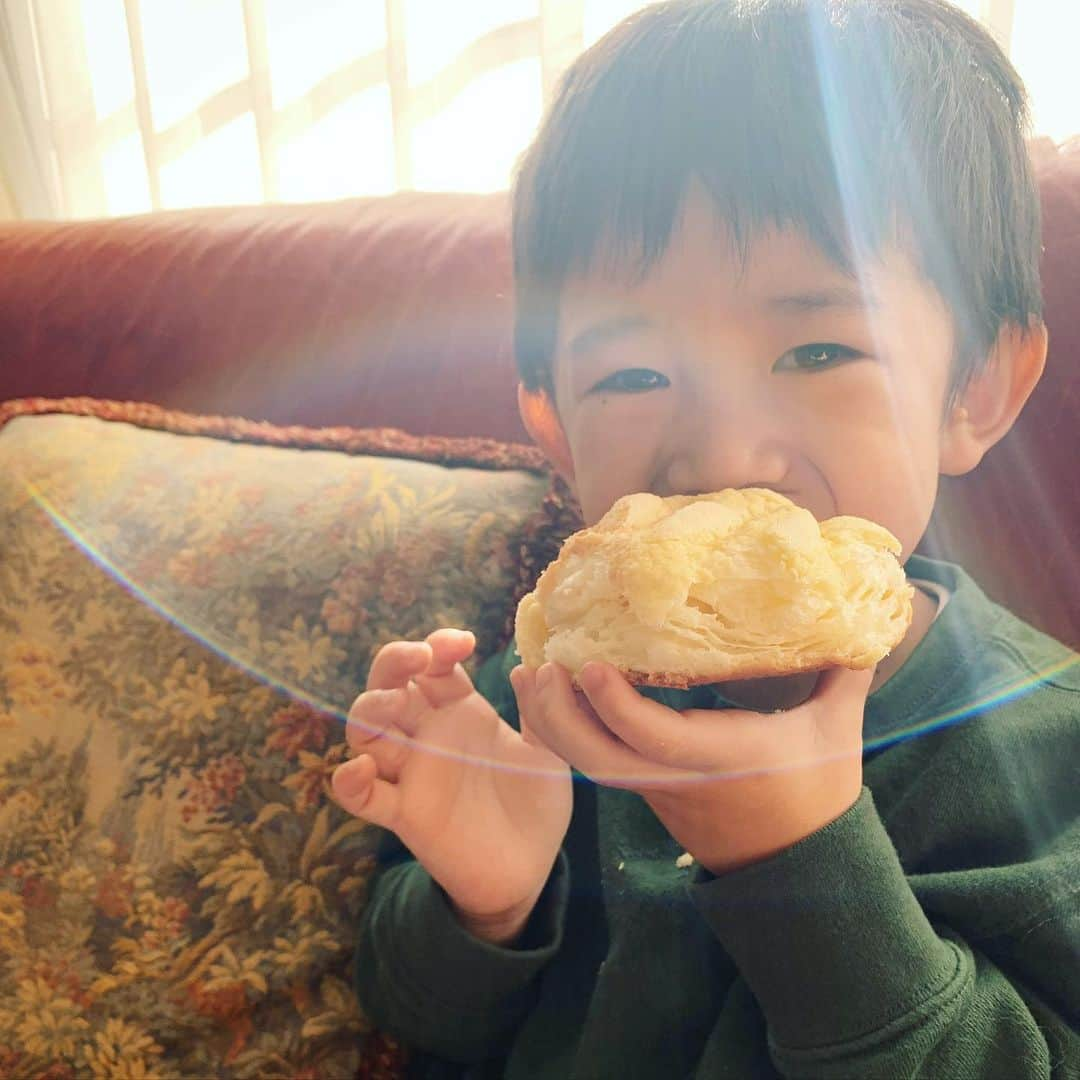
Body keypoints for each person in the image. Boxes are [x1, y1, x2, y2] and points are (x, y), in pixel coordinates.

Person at [330, 1, 1080, 1076]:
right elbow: (416, 1014)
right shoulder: (537, 699)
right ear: (553, 425)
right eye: (632, 375)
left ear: (976, 389)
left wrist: (801, 860)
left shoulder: (1045, 759)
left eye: (819, 349)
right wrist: (484, 906)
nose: (724, 454)